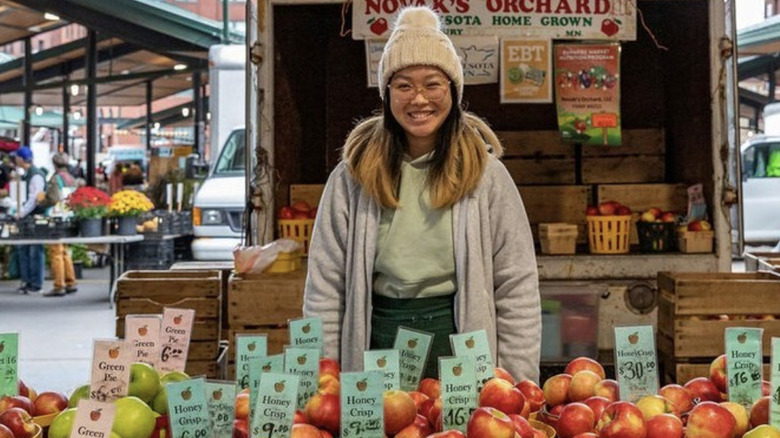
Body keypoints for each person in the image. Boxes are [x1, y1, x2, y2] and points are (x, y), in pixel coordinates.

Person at [302, 7, 541, 381]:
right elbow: (325, 289)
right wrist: (326, 376)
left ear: (453, 91)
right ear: (387, 93)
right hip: (376, 336)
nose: (419, 99)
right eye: (404, 85)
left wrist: (515, 381)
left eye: (433, 83)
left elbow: (517, 286)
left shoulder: (486, 174)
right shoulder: (353, 175)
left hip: (458, 339)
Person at [39, 152, 78, 297]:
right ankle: (70, 281)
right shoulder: (71, 179)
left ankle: (59, 285)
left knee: (55, 251)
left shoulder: (56, 179)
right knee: (65, 250)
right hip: (68, 216)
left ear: (54, 164)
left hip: (56, 216)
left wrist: (42, 201)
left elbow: (53, 199)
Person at [12, 146, 47, 294]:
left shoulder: (35, 175)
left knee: (34, 250)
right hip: (29, 217)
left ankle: (35, 283)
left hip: (34, 217)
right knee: (26, 249)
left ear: (21, 159)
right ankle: (28, 281)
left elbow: (34, 199)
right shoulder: (29, 174)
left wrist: (20, 212)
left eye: (16, 157)